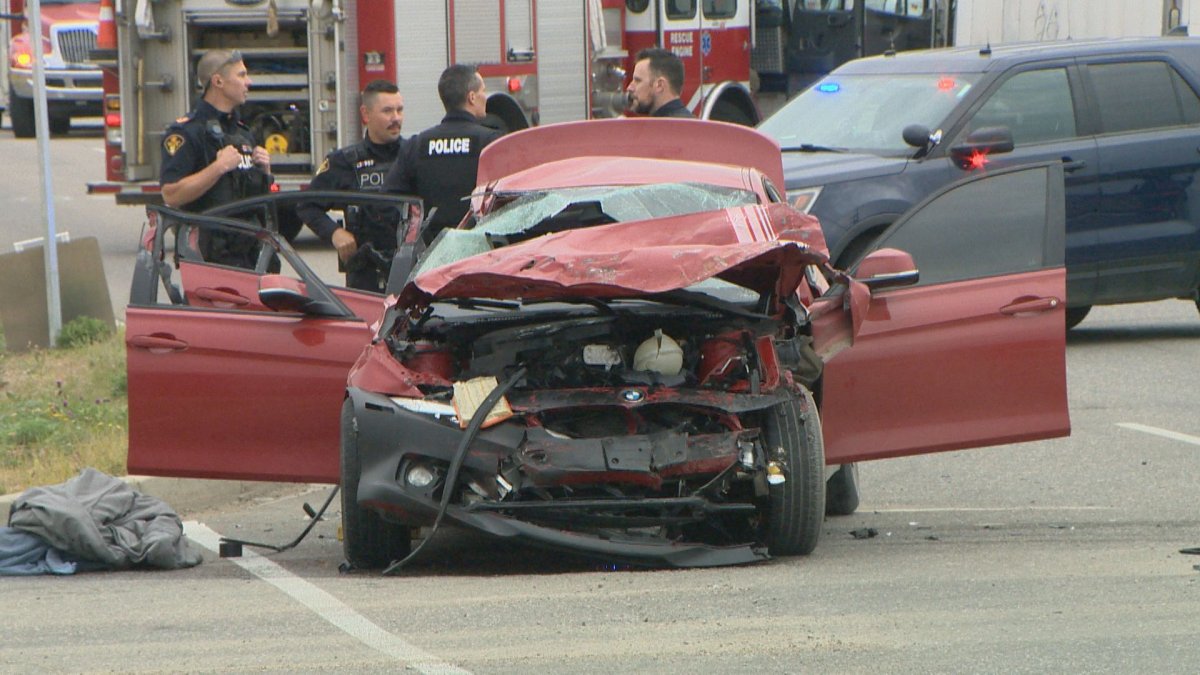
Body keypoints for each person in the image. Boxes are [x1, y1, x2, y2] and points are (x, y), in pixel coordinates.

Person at [159, 49, 273, 267]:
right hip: (210, 257)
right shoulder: (186, 133)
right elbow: (171, 194)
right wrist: (218, 168)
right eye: (241, 75)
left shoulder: (242, 133)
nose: (248, 82)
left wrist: (265, 172)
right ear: (218, 81)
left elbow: (256, 199)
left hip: (249, 252)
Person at [295, 79, 408, 291]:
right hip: (366, 274)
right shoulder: (344, 161)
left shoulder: (413, 155)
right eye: (387, 111)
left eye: (400, 110)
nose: (396, 118)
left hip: (410, 268)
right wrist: (335, 233)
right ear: (366, 115)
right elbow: (306, 205)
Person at [385, 64, 502, 244]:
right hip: (481, 251)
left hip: (431, 254)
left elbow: (389, 200)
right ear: (471, 97)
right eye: (483, 91)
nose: (485, 97)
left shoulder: (417, 145)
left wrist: (415, 236)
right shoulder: (491, 142)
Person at [626, 48, 692, 119]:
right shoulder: (691, 124)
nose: (629, 87)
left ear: (660, 85)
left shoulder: (671, 127)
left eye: (637, 81)